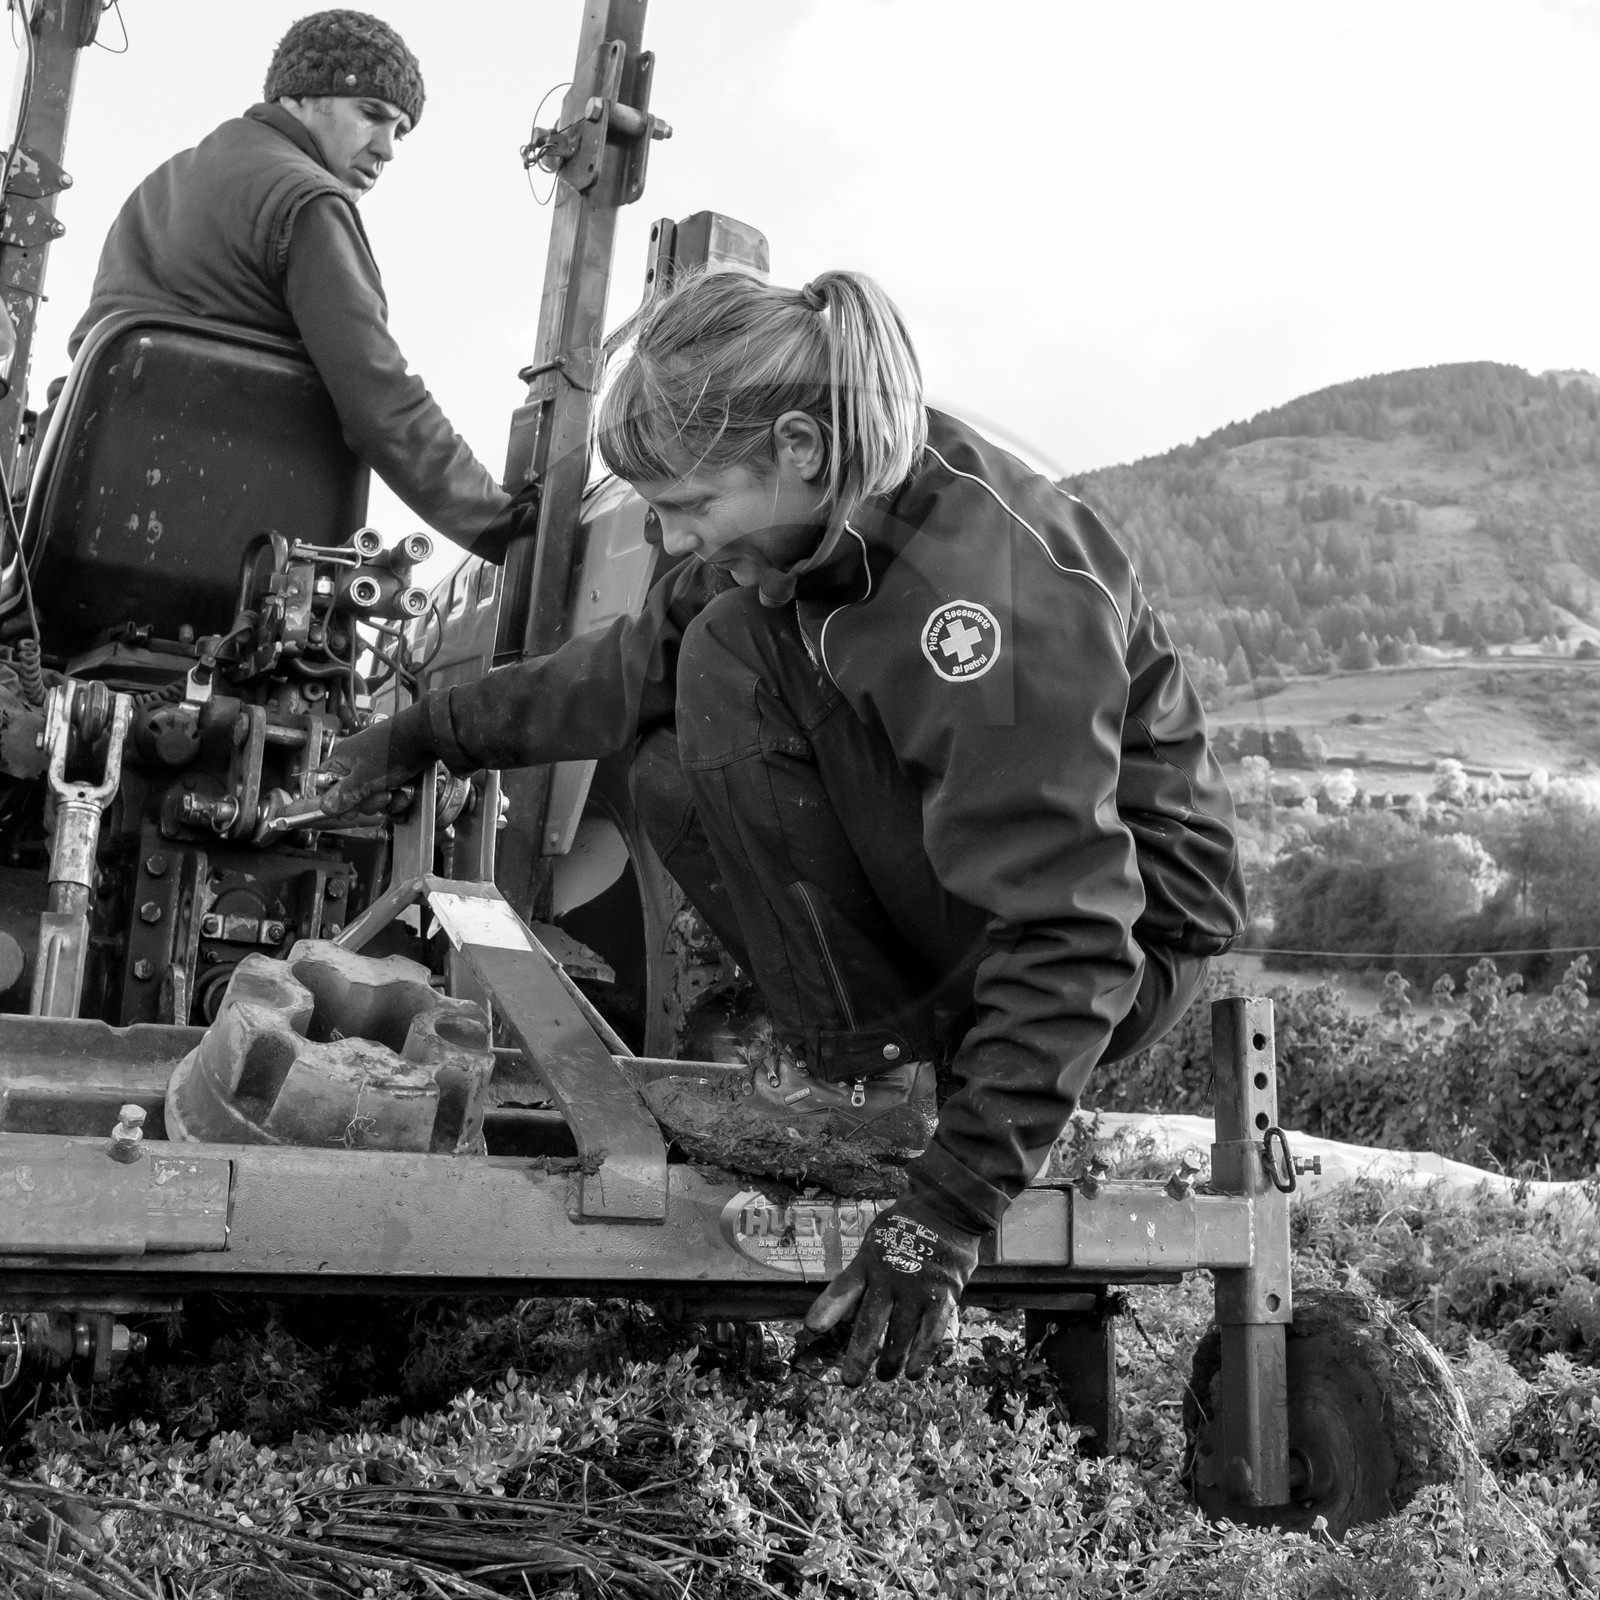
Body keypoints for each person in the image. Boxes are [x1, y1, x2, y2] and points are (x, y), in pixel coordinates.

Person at [312, 268, 1247, 1385]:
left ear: (799, 447)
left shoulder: (981, 596)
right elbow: (620, 673)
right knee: (668, 744)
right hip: (1003, 920)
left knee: (722, 658)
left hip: (1120, 949)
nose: (669, 534)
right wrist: (428, 733)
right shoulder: (802, 525)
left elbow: (1071, 928)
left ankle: (883, 1084)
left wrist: (942, 1213)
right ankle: (858, 1063)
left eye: (692, 503)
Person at [67, 9, 522, 562]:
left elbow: (90, 361)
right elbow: (380, 402)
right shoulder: (307, 202)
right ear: (304, 96)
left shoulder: (157, 186)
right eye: (371, 114)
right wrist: (501, 524)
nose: (388, 148)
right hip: (234, 556)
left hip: (84, 529)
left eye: (400, 130)